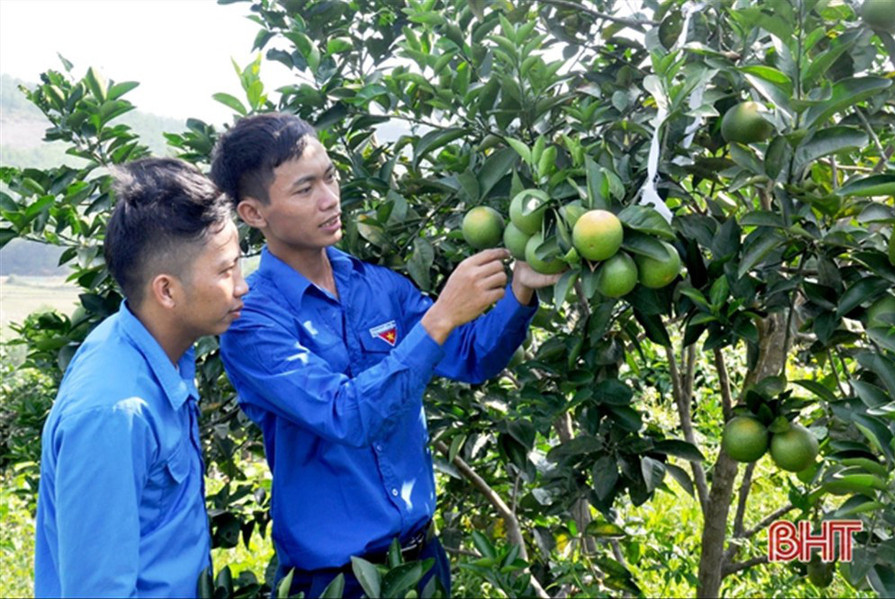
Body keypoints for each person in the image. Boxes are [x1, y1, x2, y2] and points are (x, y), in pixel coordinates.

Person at [210, 113, 561, 598]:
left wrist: (520, 289)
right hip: (334, 582)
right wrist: (440, 317)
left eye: (330, 176)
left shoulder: (375, 286)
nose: (331, 198)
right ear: (254, 213)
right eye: (305, 189)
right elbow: (347, 416)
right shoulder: (251, 320)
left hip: (422, 560)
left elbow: (472, 355)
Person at [33, 158, 249, 598]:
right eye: (226, 271)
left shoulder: (151, 344)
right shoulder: (114, 412)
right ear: (166, 290)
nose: (242, 285)